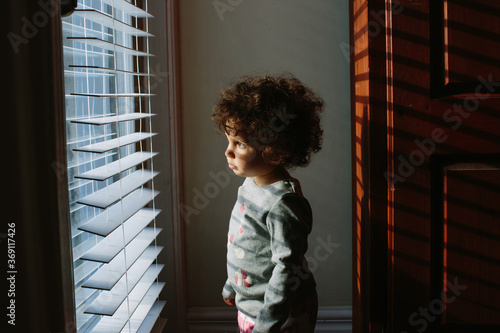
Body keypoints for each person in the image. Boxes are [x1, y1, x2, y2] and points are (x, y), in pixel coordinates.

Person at [211, 74, 325, 333]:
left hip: (281, 315)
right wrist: (233, 285)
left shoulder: (283, 204)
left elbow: (287, 269)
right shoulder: (251, 185)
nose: (228, 152)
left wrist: (267, 323)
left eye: (239, 143)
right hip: (251, 306)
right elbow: (244, 245)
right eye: (229, 141)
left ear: (275, 147)